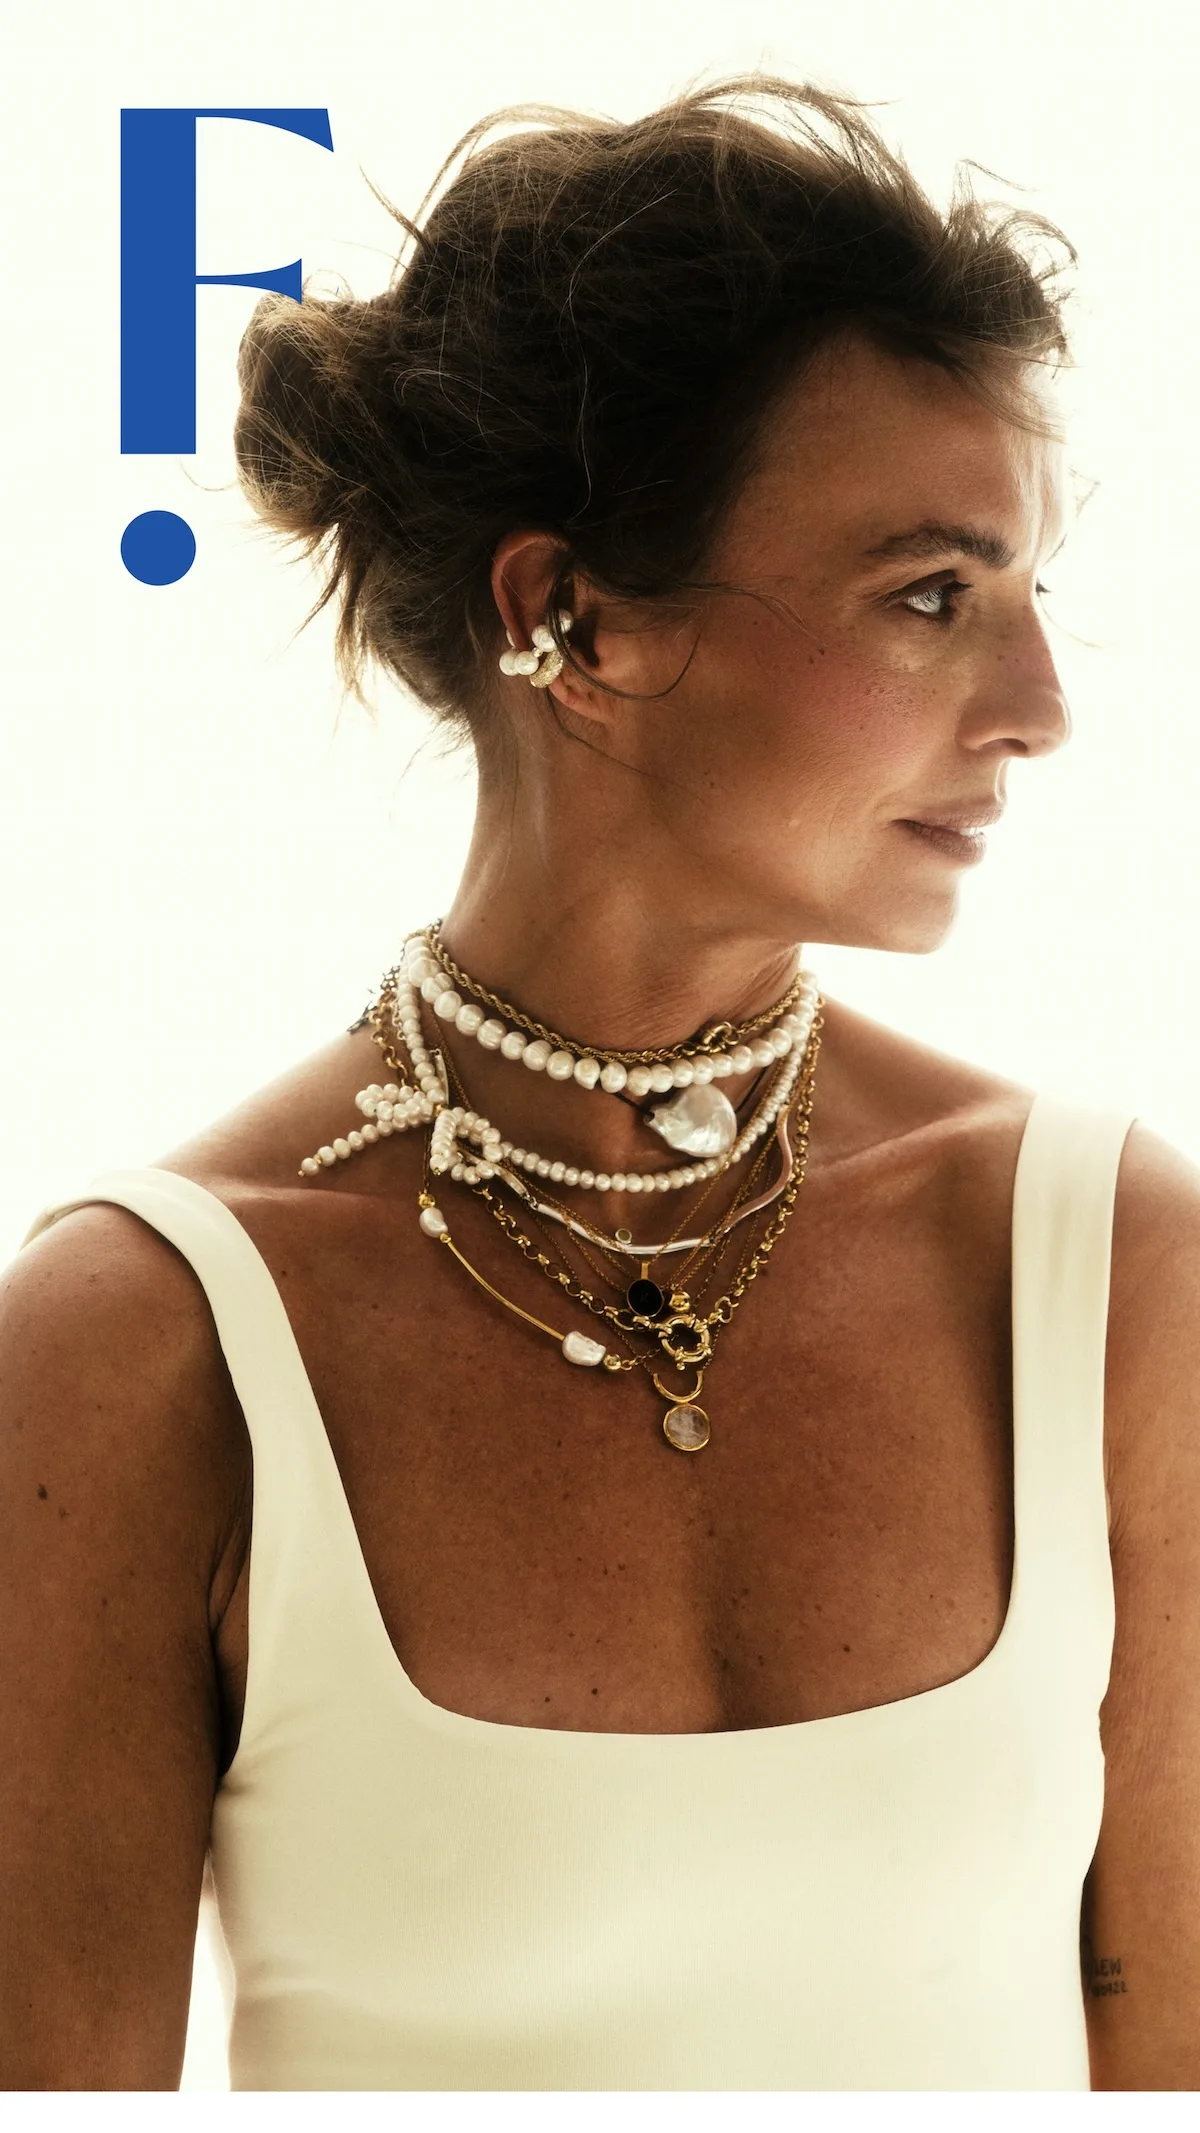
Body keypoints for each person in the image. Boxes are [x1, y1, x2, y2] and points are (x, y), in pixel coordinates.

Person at [3, 73, 1198, 2094]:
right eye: (931, 594)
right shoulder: (139, 1345)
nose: (1040, 708)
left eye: (1029, 596)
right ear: (569, 620)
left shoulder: (1107, 1273)